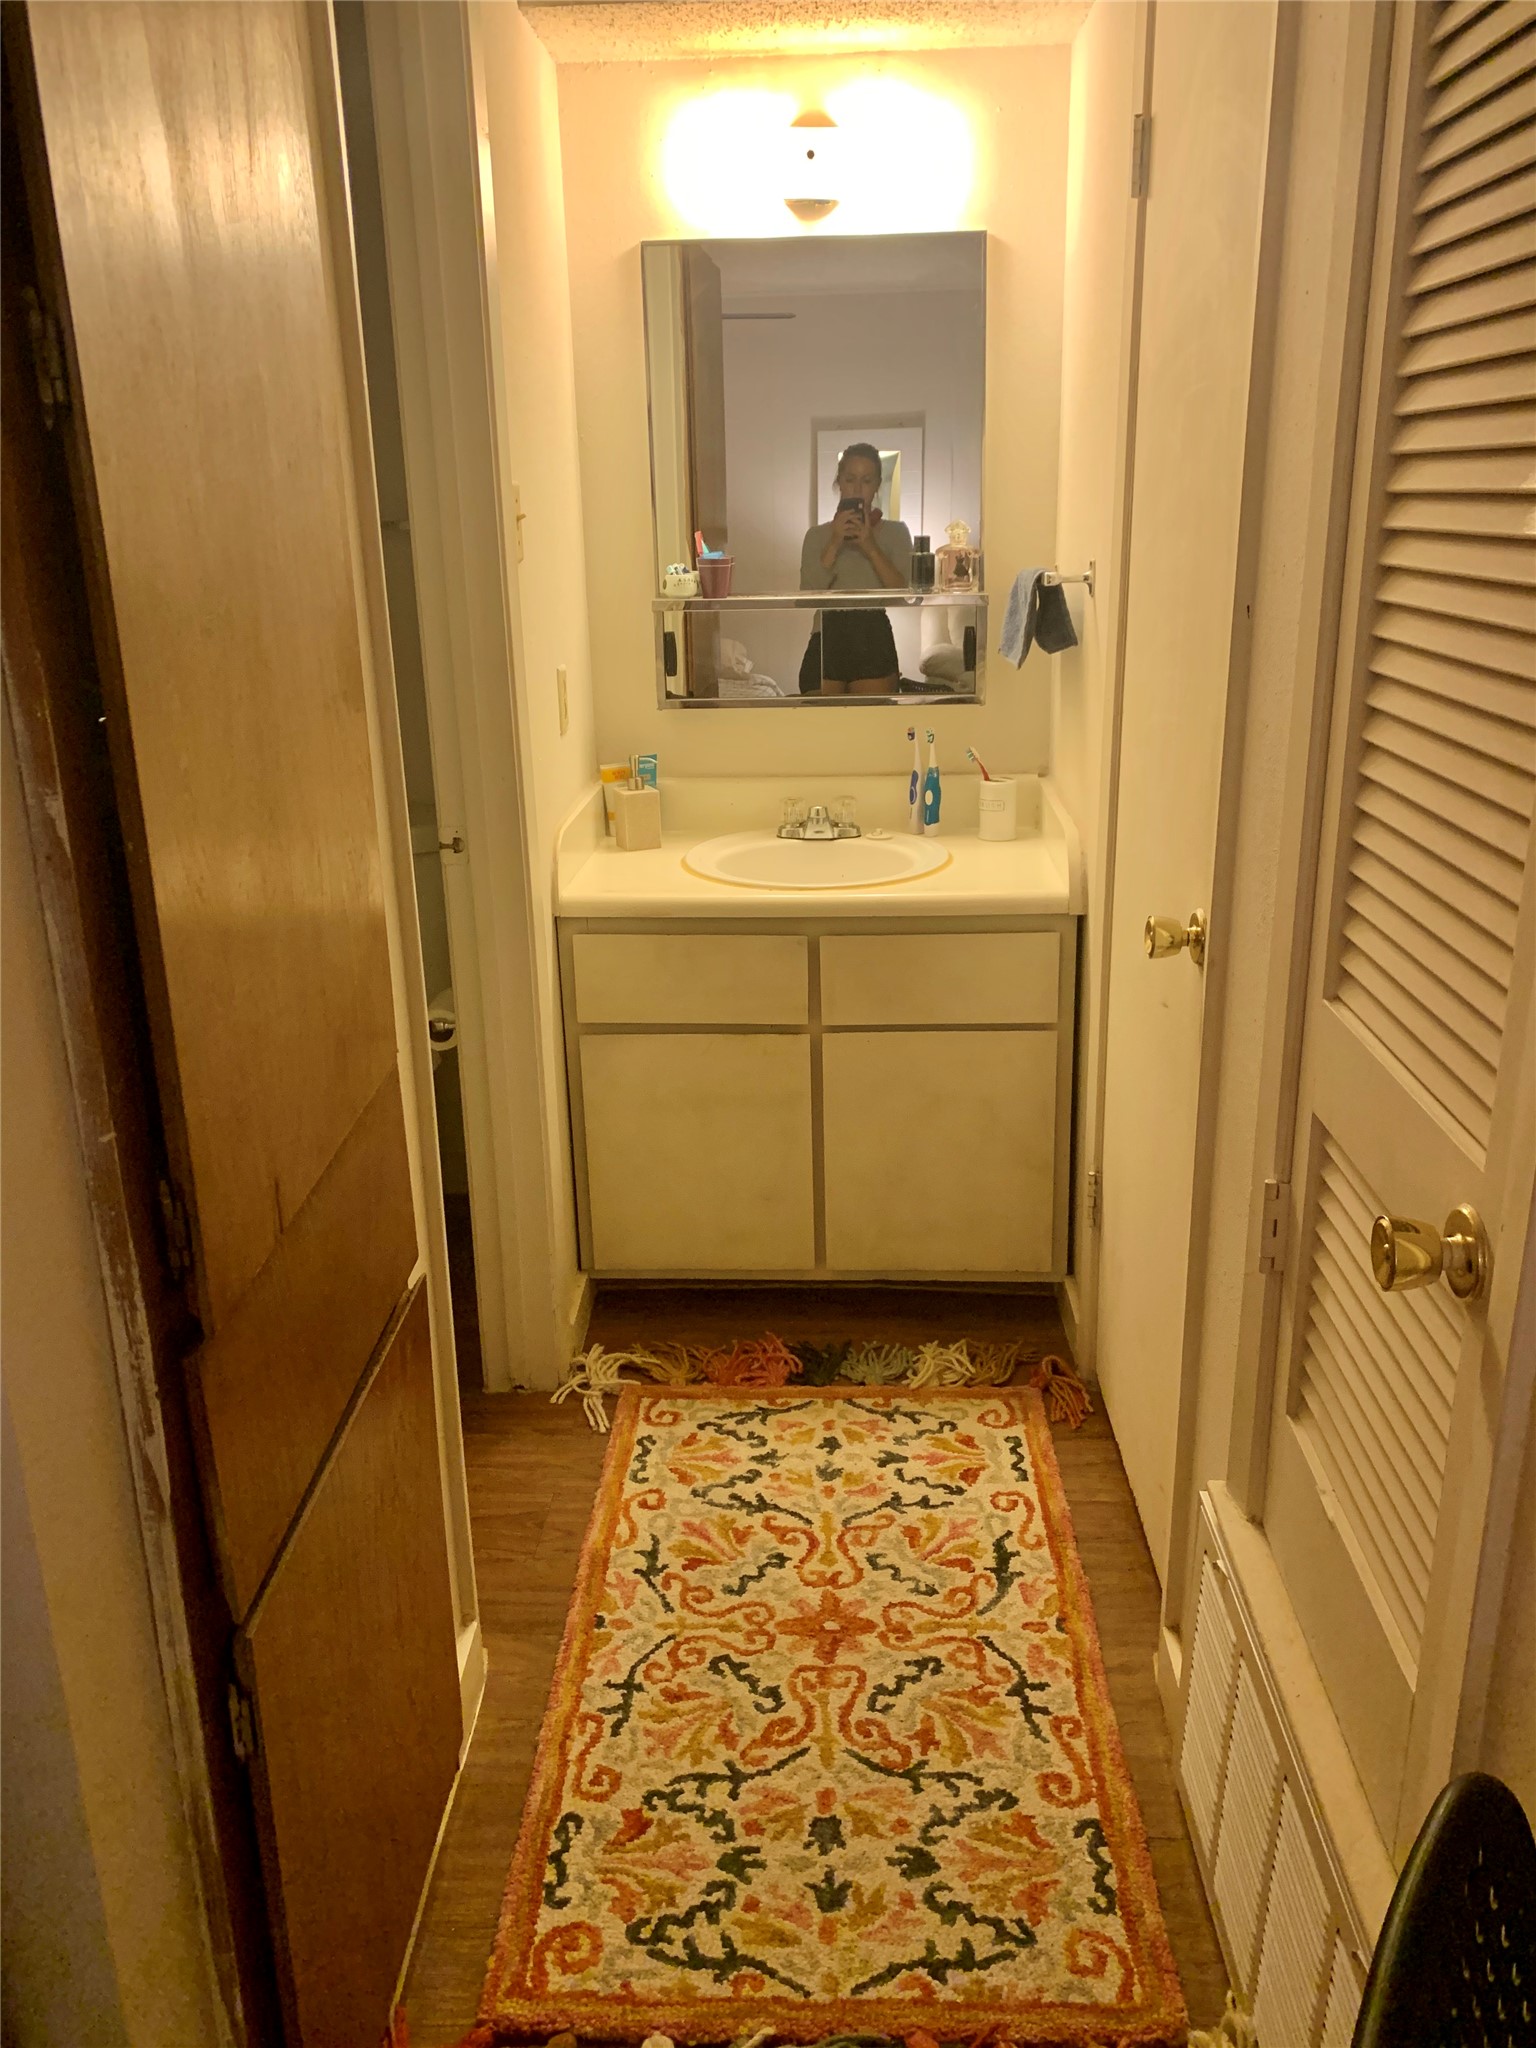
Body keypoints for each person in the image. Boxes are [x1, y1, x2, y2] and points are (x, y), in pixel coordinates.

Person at [798, 443, 912, 696]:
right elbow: (805, 597)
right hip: (826, 633)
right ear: (839, 482)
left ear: (877, 485)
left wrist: (870, 547)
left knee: (871, 730)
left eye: (866, 481)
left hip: (871, 631)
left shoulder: (896, 533)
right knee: (819, 728)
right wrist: (835, 541)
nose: (858, 489)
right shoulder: (817, 536)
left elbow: (904, 593)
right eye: (850, 479)